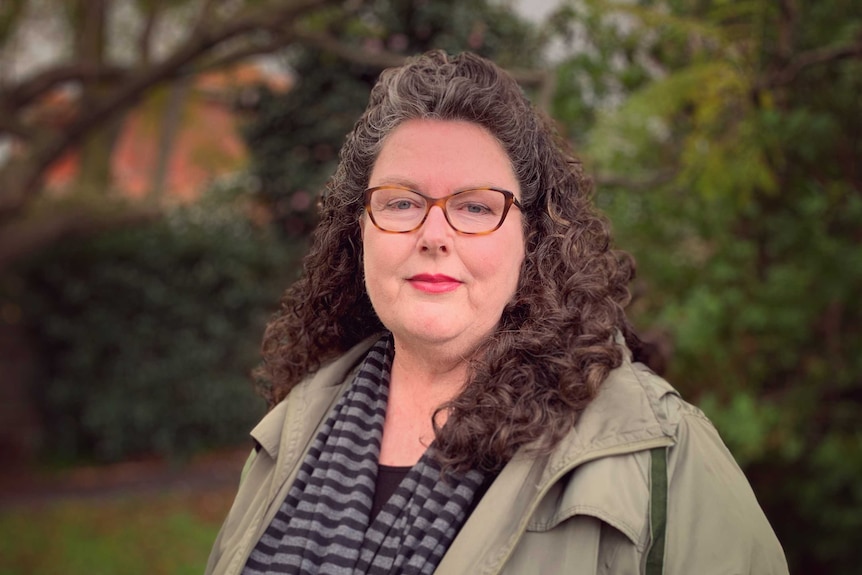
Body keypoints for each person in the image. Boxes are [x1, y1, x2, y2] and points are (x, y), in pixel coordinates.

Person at [205, 50, 788, 575]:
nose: (434, 233)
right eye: (403, 202)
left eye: (476, 206)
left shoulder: (657, 452)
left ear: (534, 237)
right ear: (360, 230)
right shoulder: (292, 432)